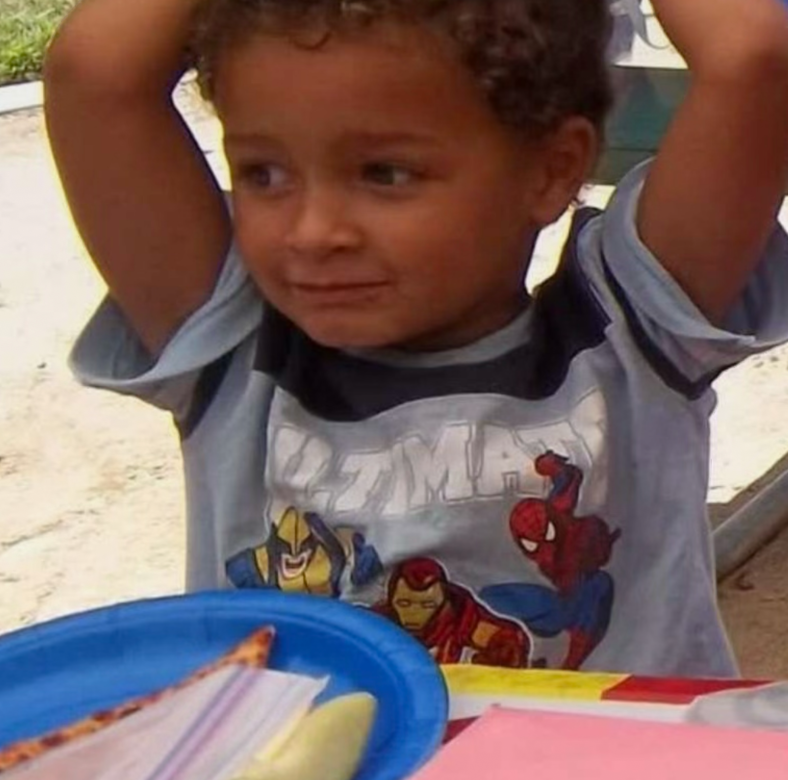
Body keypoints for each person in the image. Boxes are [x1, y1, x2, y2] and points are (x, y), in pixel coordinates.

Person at [42, 0, 788, 676]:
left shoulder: (630, 337)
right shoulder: (234, 353)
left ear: (552, 169)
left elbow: (753, 55)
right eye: (263, 173)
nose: (313, 232)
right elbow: (95, 71)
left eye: (385, 174)